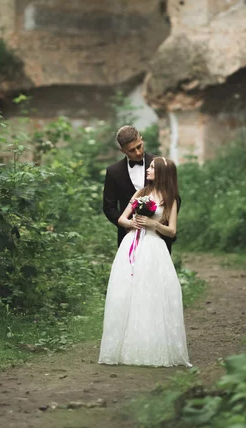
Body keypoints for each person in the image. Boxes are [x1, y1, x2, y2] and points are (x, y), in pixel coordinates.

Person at [99, 156, 191, 367]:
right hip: (132, 244)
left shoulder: (171, 199)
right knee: (127, 291)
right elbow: (122, 218)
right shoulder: (141, 193)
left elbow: (172, 230)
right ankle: (124, 346)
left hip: (154, 247)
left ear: (162, 173)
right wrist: (132, 223)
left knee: (150, 293)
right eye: (148, 166)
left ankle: (150, 345)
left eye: (151, 167)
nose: (148, 169)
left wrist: (152, 223)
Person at [103, 125, 180, 254]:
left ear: (141, 140)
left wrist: (159, 221)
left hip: (159, 236)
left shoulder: (159, 164)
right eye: (132, 150)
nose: (138, 152)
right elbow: (109, 207)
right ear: (122, 151)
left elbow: (173, 197)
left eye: (139, 146)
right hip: (129, 237)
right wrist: (128, 224)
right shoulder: (113, 172)